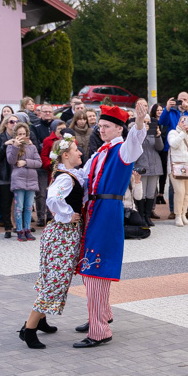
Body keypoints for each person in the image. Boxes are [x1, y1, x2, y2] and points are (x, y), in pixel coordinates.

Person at [73, 104, 148, 348]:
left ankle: (100, 330)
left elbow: (135, 142)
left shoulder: (122, 150)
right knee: (90, 263)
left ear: (119, 129)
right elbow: (84, 177)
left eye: (106, 126)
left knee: (96, 266)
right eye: (100, 126)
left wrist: (138, 123)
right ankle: (101, 314)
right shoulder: (100, 152)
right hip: (94, 209)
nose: (101, 129)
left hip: (107, 210)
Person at [16, 135, 86, 348]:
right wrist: (66, 215)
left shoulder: (70, 173)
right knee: (54, 281)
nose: (80, 152)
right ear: (66, 155)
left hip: (61, 234)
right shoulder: (66, 177)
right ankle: (29, 329)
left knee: (51, 277)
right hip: (62, 234)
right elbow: (53, 198)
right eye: (76, 150)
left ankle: (41, 320)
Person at [6, 123, 42, 241]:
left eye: (24, 134)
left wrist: (25, 162)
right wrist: (15, 146)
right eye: (19, 134)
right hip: (18, 180)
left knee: (28, 207)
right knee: (18, 207)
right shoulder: (11, 146)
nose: (22, 136)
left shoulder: (32, 147)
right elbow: (11, 160)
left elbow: (39, 163)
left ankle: (27, 229)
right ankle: (19, 230)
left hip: (31, 180)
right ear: (15, 135)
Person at [168, 115, 188, 227]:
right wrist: (183, 133)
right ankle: (177, 215)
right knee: (179, 192)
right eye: (183, 121)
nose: (185, 124)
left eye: (187, 122)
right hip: (177, 167)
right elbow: (173, 144)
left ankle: (183, 214)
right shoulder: (173, 132)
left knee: (187, 193)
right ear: (178, 123)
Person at [0, 115, 18, 237]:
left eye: (17, 122)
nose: (14, 124)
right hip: (4, 174)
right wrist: (5, 145)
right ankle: (8, 228)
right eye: (12, 121)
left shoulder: (21, 136)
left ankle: (20, 227)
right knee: (5, 202)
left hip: (19, 174)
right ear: (6, 124)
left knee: (20, 203)